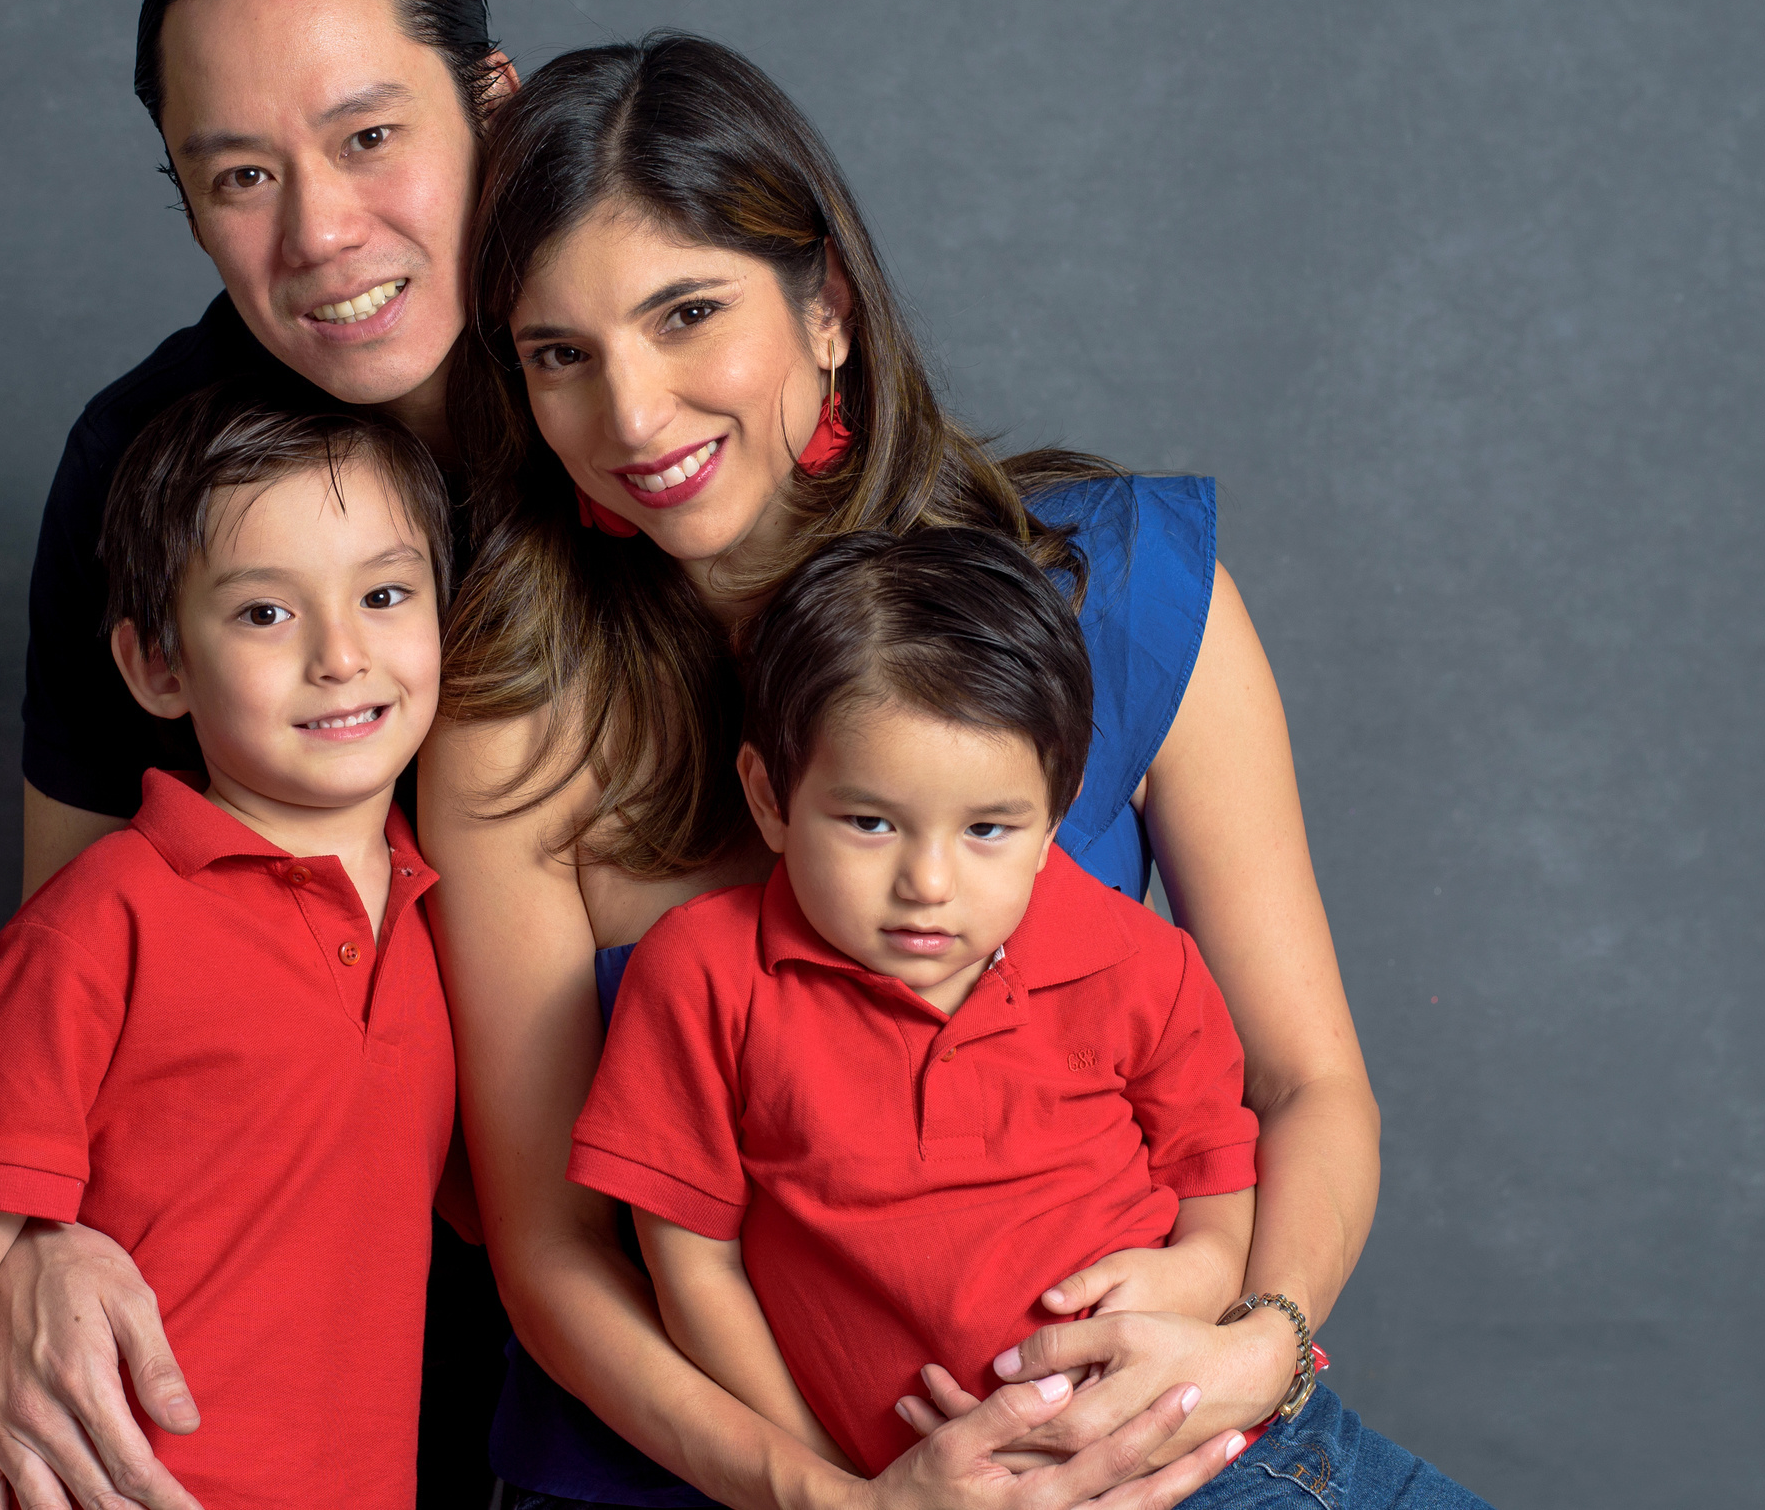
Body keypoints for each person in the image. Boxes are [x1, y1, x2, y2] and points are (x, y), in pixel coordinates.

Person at [0, 0, 1223, 1510]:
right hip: (401, 1268)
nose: (322, 232)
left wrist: (1246, 1324)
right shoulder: (168, 466)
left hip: (960, 1330)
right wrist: (37, 1229)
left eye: (370, 137)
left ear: (493, 102)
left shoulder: (717, 420)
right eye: (241, 177)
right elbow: (80, 950)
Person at [418, 33, 1380, 1508]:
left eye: (688, 314)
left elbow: (1306, 1080)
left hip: (1136, 1449)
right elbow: (551, 1253)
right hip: (687, 1475)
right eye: (562, 355)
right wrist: (848, 1503)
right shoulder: (516, 729)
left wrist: (1260, 1338)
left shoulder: (1120, 591)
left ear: (829, 310)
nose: (633, 415)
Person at [573, 527, 1490, 1508]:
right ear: (770, 798)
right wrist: (844, 1486)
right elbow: (693, 1266)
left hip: (1223, 1454)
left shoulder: (1137, 960)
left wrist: (1203, 1269)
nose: (928, 882)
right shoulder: (704, 977)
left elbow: (1213, 1170)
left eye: (987, 828)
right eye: (870, 822)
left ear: (1053, 817)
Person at [0, 387, 457, 1510]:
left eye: (385, 594)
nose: (342, 654)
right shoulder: (104, 919)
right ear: (157, 667)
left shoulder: (444, 921)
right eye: (264, 613)